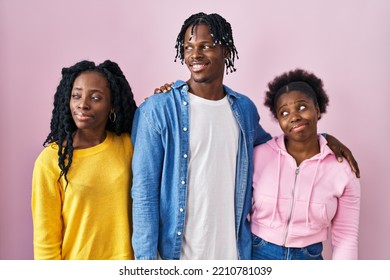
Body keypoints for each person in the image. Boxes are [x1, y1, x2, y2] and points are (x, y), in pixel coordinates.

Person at [131, 12, 359, 260]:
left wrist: (322, 140)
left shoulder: (243, 110)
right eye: (188, 47)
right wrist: (147, 265)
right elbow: (144, 194)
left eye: (206, 46)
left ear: (226, 51)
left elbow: (279, 148)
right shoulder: (157, 110)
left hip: (235, 256)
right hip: (177, 256)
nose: (195, 55)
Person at [31, 60, 137, 260]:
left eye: (95, 97)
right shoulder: (51, 161)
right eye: (76, 96)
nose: (83, 104)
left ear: (112, 105)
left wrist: (163, 99)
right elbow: (45, 239)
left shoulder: (128, 145)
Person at [251, 69, 361, 260]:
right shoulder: (258, 156)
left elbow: (346, 237)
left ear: (317, 109)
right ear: (279, 121)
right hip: (258, 253)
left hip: (308, 257)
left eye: (302, 107)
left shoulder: (341, 168)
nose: (294, 116)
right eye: (284, 112)